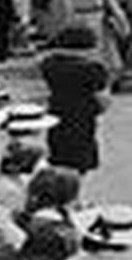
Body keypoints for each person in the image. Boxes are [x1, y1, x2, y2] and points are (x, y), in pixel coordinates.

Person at [40, 27, 111, 175]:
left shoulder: (49, 65)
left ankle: (60, 189)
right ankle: (74, 191)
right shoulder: (94, 69)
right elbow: (103, 99)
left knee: (58, 154)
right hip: (83, 117)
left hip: (57, 112)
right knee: (80, 159)